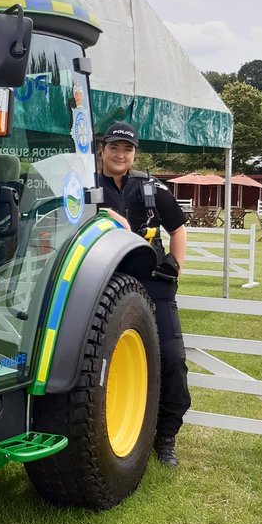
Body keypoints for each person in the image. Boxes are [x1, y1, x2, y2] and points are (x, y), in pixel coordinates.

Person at [96, 121, 190, 467]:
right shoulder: (84, 188)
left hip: (154, 282)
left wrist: (175, 266)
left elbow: (178, 229)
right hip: (102, 284)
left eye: (127, 149)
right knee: (103, 365)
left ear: (134, 153)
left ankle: (165, 437)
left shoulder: (153, 189)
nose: (120, 155)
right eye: (114, 148)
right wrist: (102, 213)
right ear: (102, 150)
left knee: (173, 361)